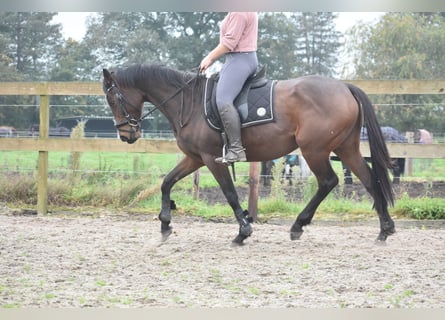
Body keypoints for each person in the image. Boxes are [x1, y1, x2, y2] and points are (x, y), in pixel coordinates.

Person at [199, 12, 258, 164]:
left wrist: (209, 58)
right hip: (237, 59)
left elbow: (229, 42)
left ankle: (236, 149)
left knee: (223, 99)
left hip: (240, 59)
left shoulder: (239, 11)